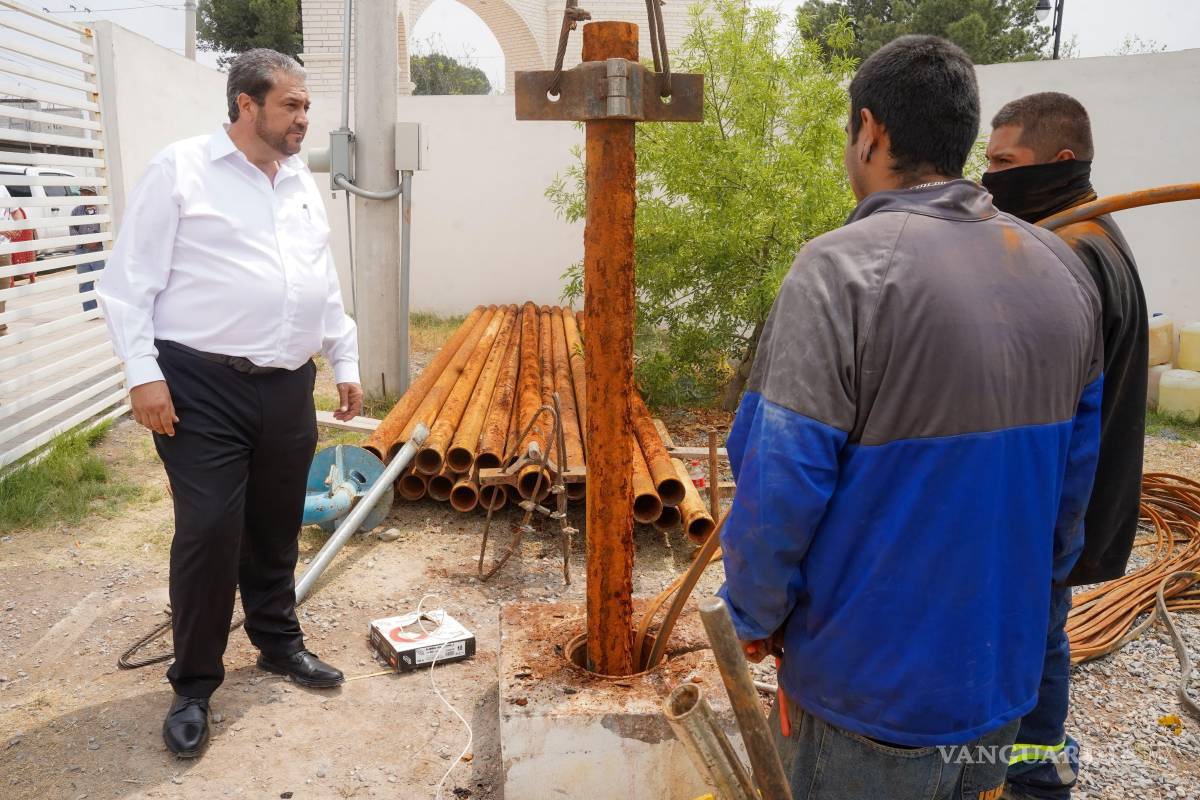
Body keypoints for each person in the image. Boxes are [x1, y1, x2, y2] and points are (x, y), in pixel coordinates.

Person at [717, 36, 1104, 800]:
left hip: (870, 697)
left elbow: (781, 484)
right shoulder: (1060, 268)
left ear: (870, 130)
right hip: (1000, 683)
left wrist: (753, 611)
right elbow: (1071, 498)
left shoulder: (840, 270)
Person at [97, 49, 363, 760]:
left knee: (275, 525)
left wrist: (345, 355)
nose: (304, 119)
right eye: (292, 106)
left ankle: (277, 645)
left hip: (285, 385)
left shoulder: (297, 181)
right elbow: (126, 284)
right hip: (198, 386)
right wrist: (142, 374)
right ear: (247, 105)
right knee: (210, 529)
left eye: (306, 107)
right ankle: (193, 685)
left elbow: (319, 278)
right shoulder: (181, 170)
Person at [983, 92, 1148, 800]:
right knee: (1040, 635)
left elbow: (1044, 410)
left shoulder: (1072, 251)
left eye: (1004, 163)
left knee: (1033, 643)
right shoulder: (1093, 230)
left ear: (1061, 160)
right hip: (1071, 504)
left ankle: (1032, 782)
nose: (989, 178)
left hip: (1053, 505)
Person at [71, 187, 104, 311]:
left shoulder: (103, 209)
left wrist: (98, 239)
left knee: (104, 281)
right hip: (82, 250)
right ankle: (90, 312)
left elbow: (107, 227)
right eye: (83, 193)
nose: (85, 195)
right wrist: (84, 242)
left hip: (100, 249)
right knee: (85, 283)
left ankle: (110, 310)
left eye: (89, 193)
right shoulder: (76, 211)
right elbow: (73, 230)